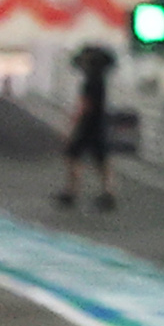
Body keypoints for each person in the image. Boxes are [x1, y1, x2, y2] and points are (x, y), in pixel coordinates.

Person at [56, 35, 121, 210]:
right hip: (99, 123)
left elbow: (84, 106)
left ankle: (71, 192)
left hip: (87, 124)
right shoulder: (101, 81)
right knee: (101, 159)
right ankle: (108, 192)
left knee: (73, 156)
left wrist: (71, 127)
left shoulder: (90, 82)